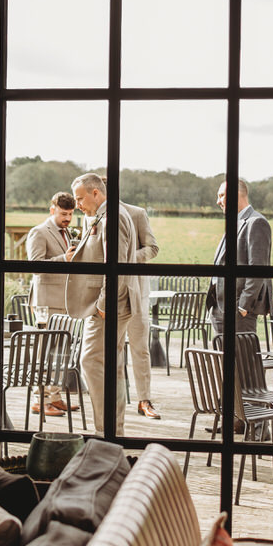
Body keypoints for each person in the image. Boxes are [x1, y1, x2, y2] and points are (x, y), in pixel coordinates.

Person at [64, 173, 142, 434]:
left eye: (80, 199)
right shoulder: (105, 215)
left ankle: (104, 431)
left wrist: (102, 306)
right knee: (113, 368)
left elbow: (115, 267)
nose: (77, 205)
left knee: (90, 361)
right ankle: (113, 432)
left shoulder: (113, 218)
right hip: (114, 306)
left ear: (96, 193)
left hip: (111, 307)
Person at [102, 176, 161, 419]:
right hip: (105, 296)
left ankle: (144, 400)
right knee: (109, 350)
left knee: (140, 348)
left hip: (135, 292)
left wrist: (126, 258)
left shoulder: (136, 213)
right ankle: (112, 401)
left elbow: (153, 248)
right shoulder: (92, 218)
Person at [26, 191, 78, 416]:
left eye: (70, 214)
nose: (67, 218)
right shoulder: (38, 232)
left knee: (61, 355)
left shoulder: (69, 233)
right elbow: (35, 266)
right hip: (46, 304)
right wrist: (63, 259)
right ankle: (39, 400)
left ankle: (55, 397)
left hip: (66, 303)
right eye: (63, 213)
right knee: (43, 354)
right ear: (52, 210)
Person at [207, 178, 273, 335]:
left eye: (222, 195)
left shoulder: (256, 222)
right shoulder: (234, 222)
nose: (218, 201)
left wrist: (243, 307)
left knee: (245, 359)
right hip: (219, 307)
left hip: (239, 311)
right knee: (222, 359)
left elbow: (257, 270)